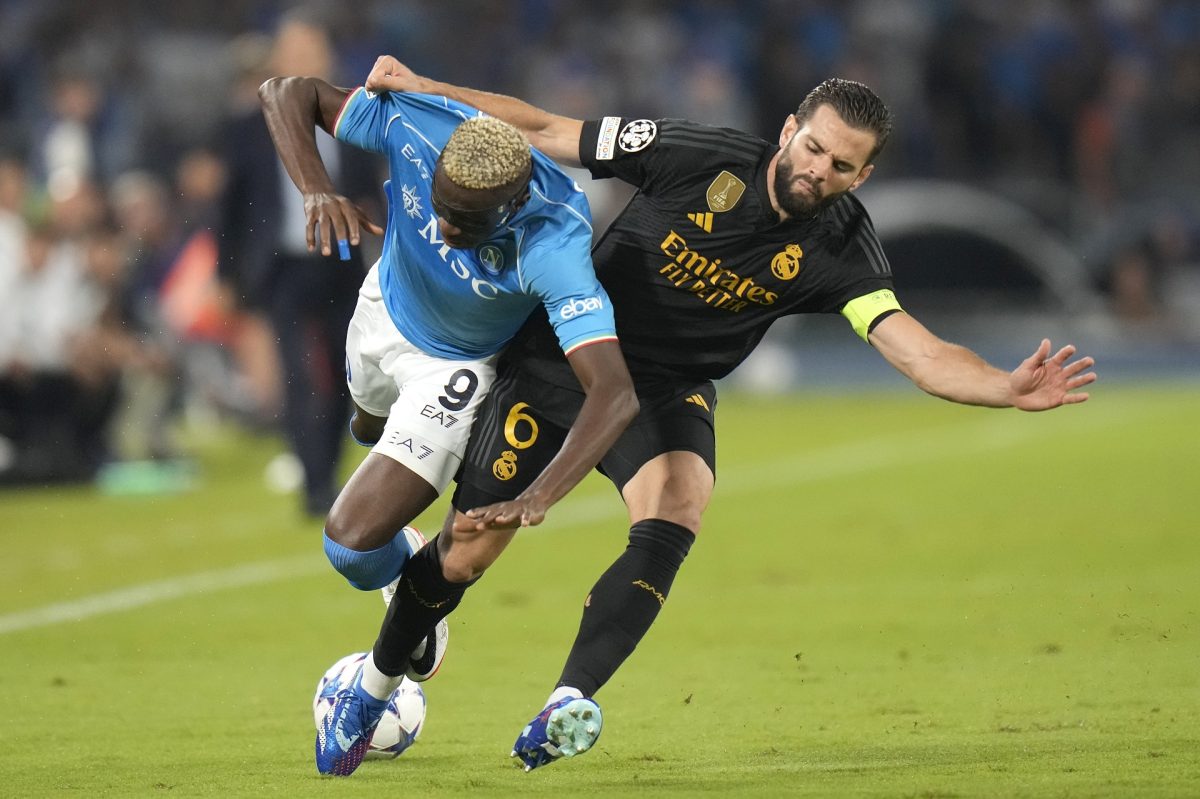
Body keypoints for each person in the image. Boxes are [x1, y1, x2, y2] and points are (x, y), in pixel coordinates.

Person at [361, 57, 1099, 772]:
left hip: (668, 387)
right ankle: (373, 686)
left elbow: (918, 352)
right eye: (814, 148)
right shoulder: (695, 155)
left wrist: (1004, 386)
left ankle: (567, 701)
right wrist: (426, 87)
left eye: (842, 166)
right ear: (789, 130)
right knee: (465, 553)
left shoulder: (842, 247)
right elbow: (549, 129)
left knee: (680, 500)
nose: (820, 170)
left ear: (862, 176)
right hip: (569, 358)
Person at [257, 64, 638, 776]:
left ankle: (410, 596)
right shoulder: (419, 123)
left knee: (349, 545)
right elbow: (286, 92)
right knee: (365, 430)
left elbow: (613, 391)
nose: (444, 227)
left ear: (514, 204)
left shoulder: (555, 240)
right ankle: (410, 573)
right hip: (382, 307)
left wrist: (544, 492)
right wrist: (315, 186)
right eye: (440, 207)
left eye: (467, 223)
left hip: (454, 370)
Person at [217, 13, 381, 516]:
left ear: (327, 57)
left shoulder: (354, 117)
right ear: (277, 59)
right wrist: (226, 273)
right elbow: (231, 205)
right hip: (283, 266)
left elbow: (370, 188)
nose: (304, 60)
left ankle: (326, 472)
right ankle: (314, 486)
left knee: (346, 376)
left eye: (312, 50)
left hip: (342, 262)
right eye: (294, 51)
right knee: (301, 376)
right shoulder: (250, 125)